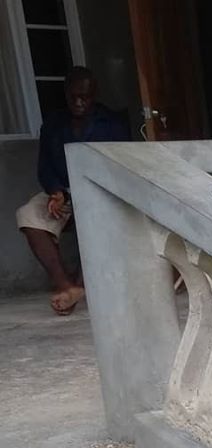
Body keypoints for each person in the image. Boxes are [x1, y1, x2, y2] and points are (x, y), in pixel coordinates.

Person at [15, 66, 129, 315]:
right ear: (66, 94)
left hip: (102, 193)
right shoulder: (53, 124)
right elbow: (45, 166)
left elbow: (122, 168)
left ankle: (80, 287)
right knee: (28, 215)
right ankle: (66, 286)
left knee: (101, 221)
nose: (78, 102)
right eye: (73, 97)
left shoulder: (113, 124)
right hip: (64, 192)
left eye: (84, 97)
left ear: (94, 95)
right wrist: (56, 191)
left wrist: (92, 195)